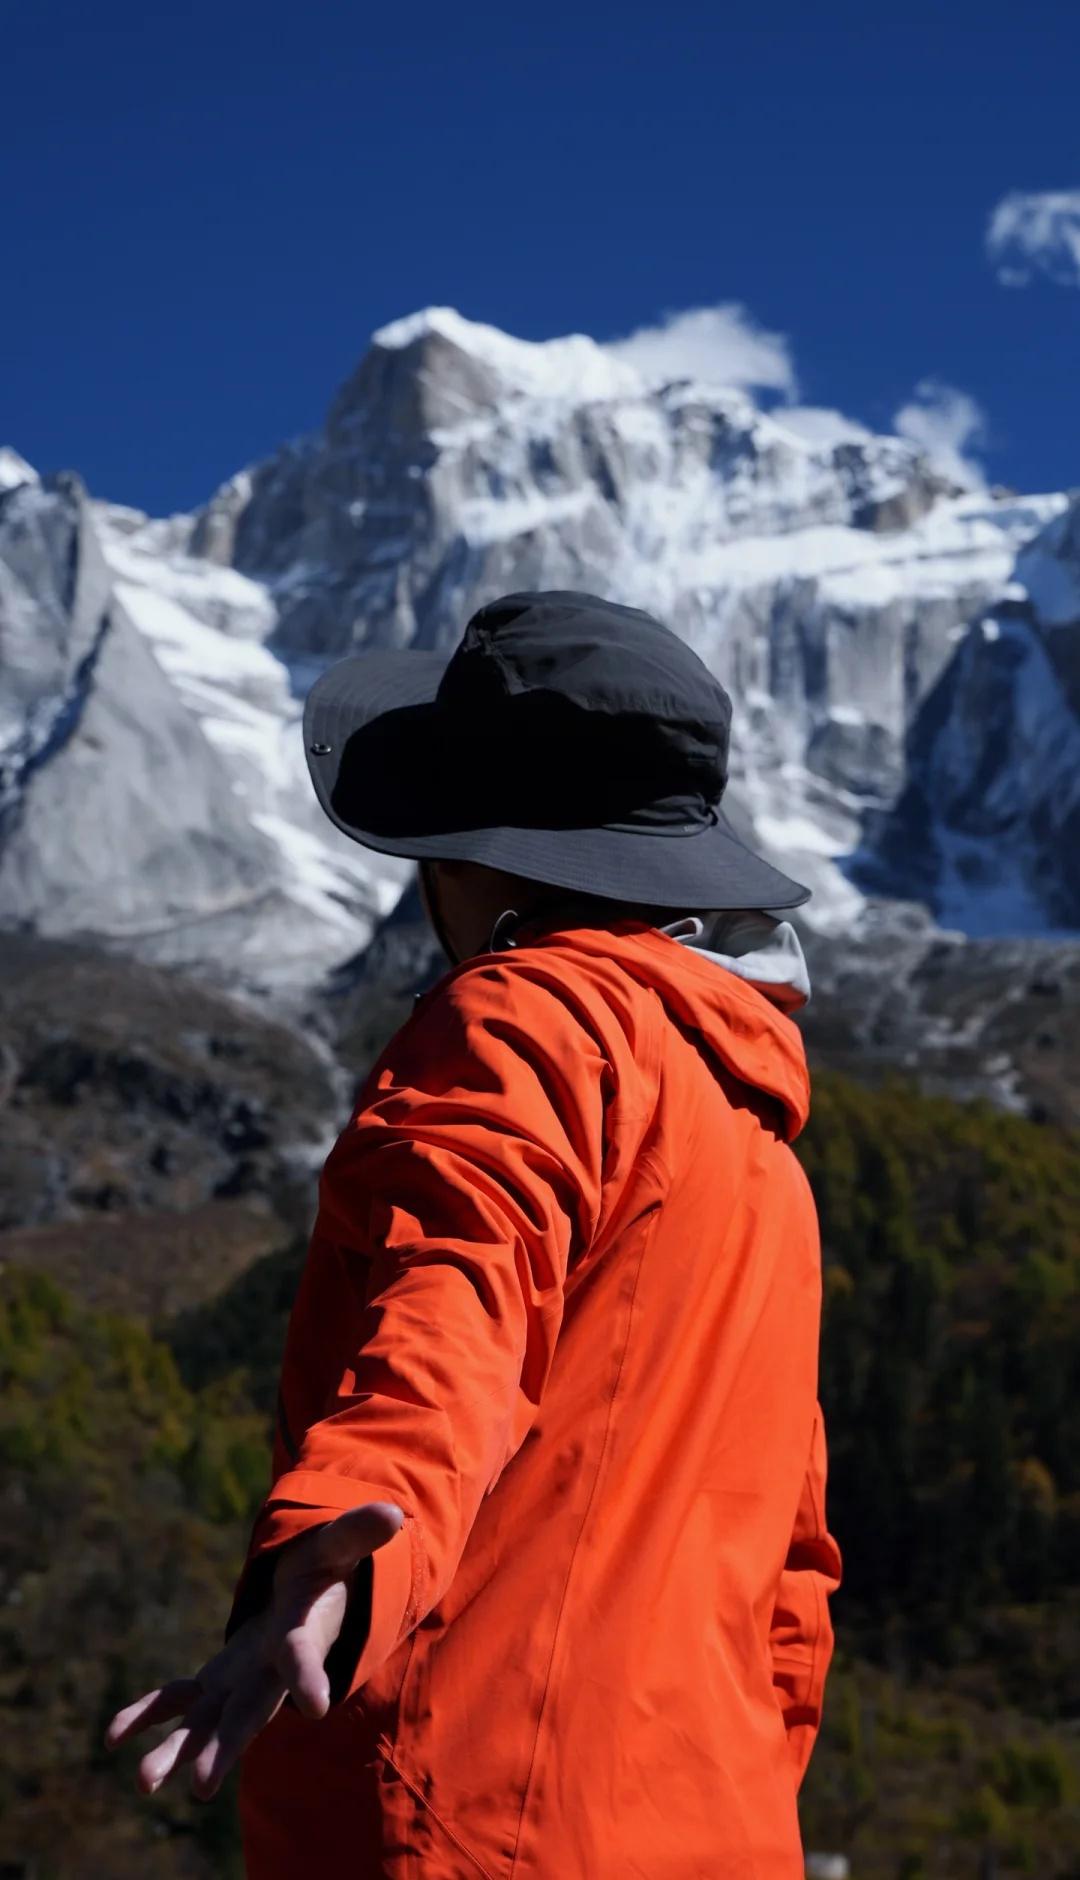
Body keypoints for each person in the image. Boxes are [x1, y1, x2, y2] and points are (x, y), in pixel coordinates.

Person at [107, 591, 842, 1876]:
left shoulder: (523, 1022)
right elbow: (793, 1571)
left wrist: (342, 1543)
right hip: (709, 1828)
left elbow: (456, 1311)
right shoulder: (758, 1141)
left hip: (460, 1818)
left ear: (477, 861)